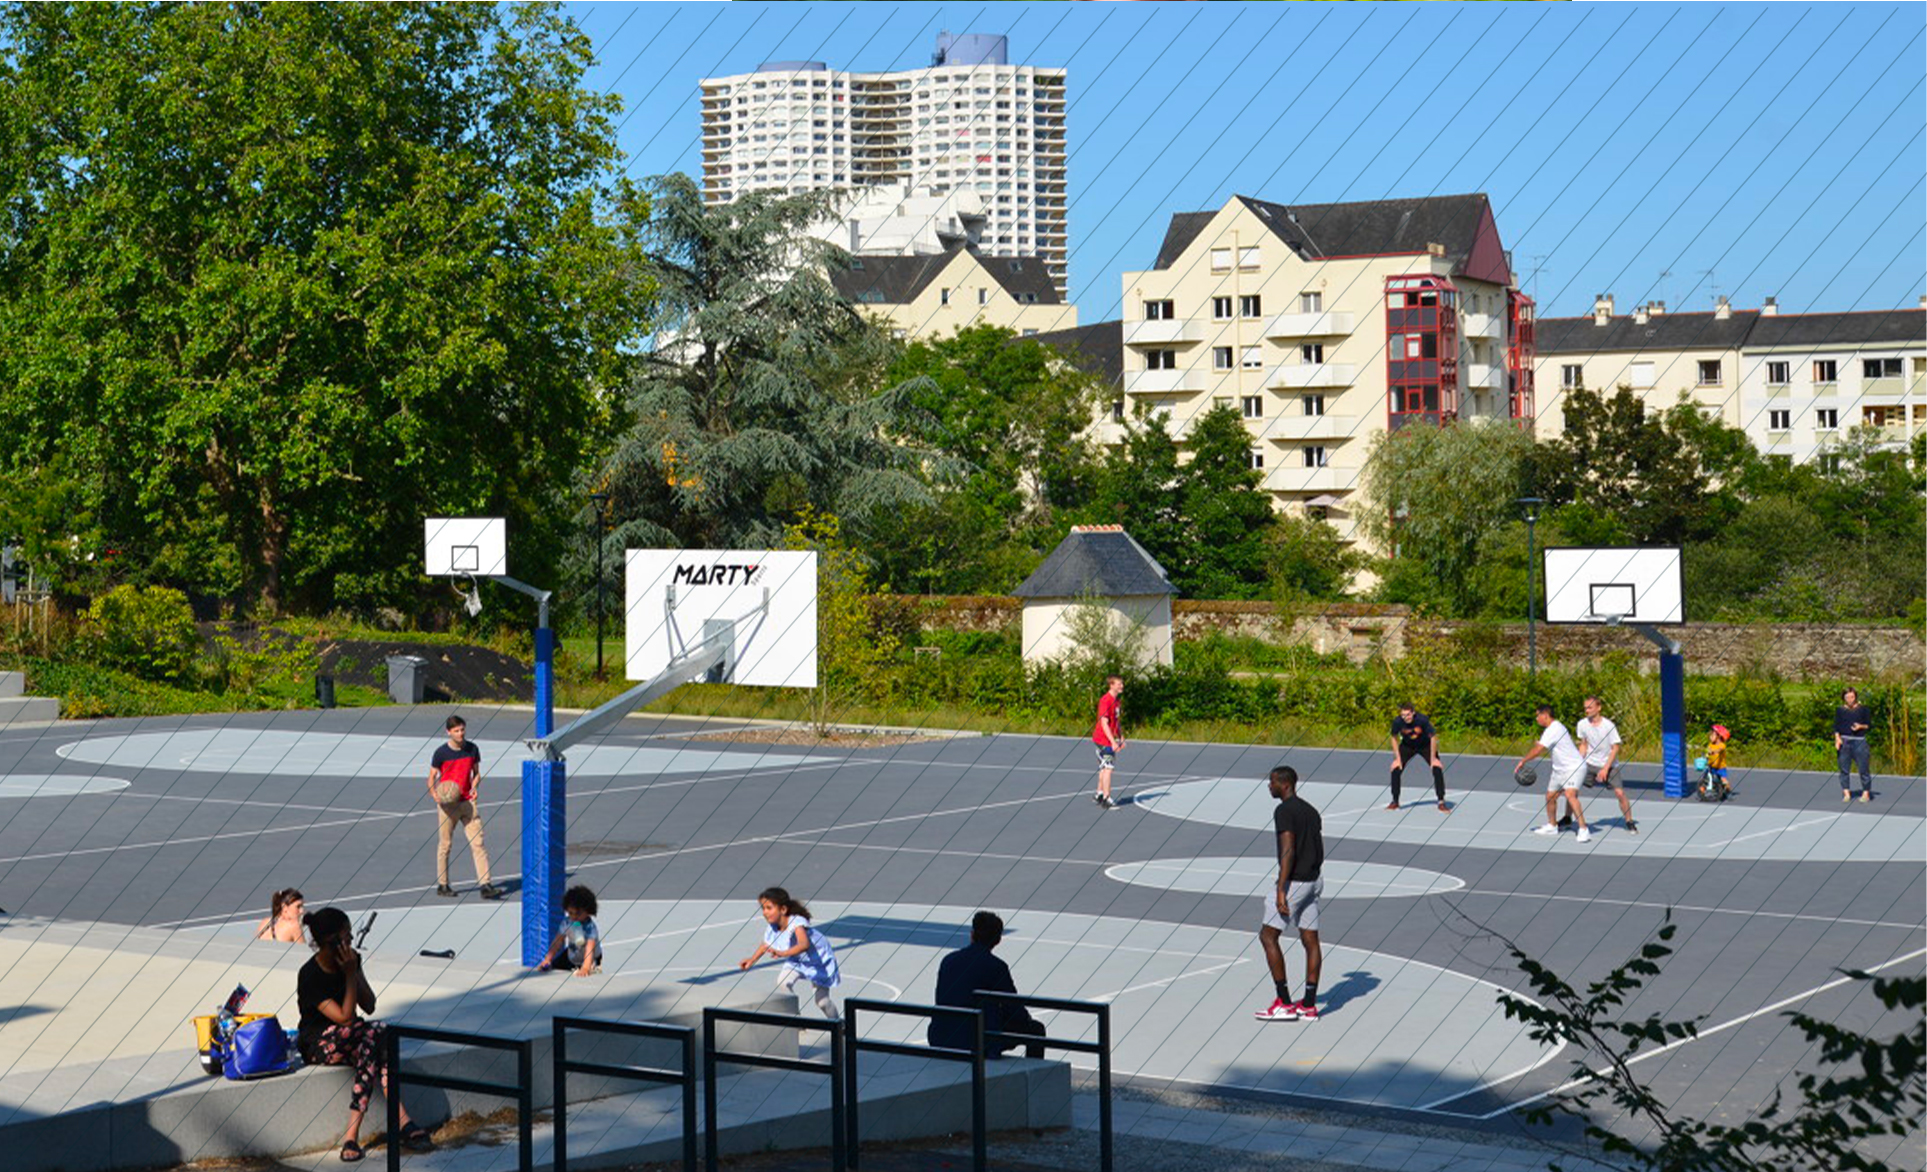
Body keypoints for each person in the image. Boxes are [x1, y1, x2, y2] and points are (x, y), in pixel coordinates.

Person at [296, 906, 434, 1162]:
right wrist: (348, 974)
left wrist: (354, 970)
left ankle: (357, 1135)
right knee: (376, 1035)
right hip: (318, 1042)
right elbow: (344, 1017)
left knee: (377, 1042)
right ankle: (399, 1123)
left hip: (355, 1037)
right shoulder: (310, 975)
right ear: (330, 942)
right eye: (346, 938)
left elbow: (369, 1004)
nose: (350, 942)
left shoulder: (352, 960)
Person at [1254, 766, 1323, 1023]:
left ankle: (1283, 1002)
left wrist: (1282, 889)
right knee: (1310, 940)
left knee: (1268, 936)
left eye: (1271, 782)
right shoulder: (1311, 810)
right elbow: (1318, 848)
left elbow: (1288, 851)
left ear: (1284, 784)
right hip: (1314, 880)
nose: (1269, 786)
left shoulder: (1284, 811)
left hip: (1295, 882)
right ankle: (1309, 1004)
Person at [929, 911, 1046, 1059]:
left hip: (941, 1036)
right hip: (975, 1040)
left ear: (972, 934)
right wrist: (1024, 1018)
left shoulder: (948, 960)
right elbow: (1014, 1010)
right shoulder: (996, 967)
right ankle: (1036, 1079)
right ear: (998, 940)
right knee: (1036, 1030)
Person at [739, 886, 841, 1020]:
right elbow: (765, 944)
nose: (765, 912)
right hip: (797, 960)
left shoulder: (796, 923)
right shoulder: (772, 927)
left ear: (783, 909)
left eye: (769, 908)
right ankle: (796, 1020)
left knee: (822, 1002)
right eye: (763, 908)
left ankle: (838, 1025)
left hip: (818, 961)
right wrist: (752, 960)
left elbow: (804, 944)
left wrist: (783, 953)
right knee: (783, 982)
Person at [428, 715, 500, 899]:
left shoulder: (472, 749)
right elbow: (431, 778)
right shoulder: (441, 753)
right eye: (456, 731)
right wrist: (435, 794)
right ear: (448, 732)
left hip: (468, 802)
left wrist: (475, 787)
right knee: (445, 845)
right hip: (448, 805)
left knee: (478, 843)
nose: (460, 734)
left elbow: (476, 774)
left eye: (462, 730)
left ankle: (486, 885)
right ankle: (443, 885)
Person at [1519, 705, 1590, 843]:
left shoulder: (1554, 728)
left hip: (1573, 767)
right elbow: (1543, 745)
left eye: (1537, 715)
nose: (1536, 718)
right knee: (1550, 796)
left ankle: (1583, 829)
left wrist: (1523, 761)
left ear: (1545, 715)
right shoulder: (1551, 730)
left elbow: (1538, 750)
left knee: (1570, 794)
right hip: (1559, 769)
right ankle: (1552, 825)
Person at [1574, 696, 1636, 834]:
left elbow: (1615, 748)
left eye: (1590, 707)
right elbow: (1583, 744)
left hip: (1609, 764)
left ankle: (1629, 821)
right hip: (1589, 763)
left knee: (1620, 793)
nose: (1587, 710)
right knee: (1571, 789)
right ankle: (1567, 817)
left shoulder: (1608, 726)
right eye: (1585, 708)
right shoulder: (1582, 724)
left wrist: (1605, 768)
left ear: (1598, 708)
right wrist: (1578, 762)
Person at [1386, 702, 1448, 812]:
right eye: (1403, 715)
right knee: (1395, 769)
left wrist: (1433, 759)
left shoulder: (1422, 720)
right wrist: (1397, 758)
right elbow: (1394, 738)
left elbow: (1433, 737)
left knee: (1437, 768)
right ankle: (1395, 801)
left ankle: (1441, 801)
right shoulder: (1397, 722)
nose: (1406, 718)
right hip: (1407, 746)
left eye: (1408, 715)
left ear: (1413, 713)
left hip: (1425, 746)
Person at [537, 885, 603, 977]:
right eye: (571, 913)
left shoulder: (590, 927)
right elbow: (557, 942)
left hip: (591, 958)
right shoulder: (566, 923)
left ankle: (590, 968)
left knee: (587, 975)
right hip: (573, 955)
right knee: (553, 968)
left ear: (588, 911)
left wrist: (586, 967)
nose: (574, 917)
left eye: (578, 913)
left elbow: (590, 947)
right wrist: (548, 959)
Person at [1835, 687, 1874, 803]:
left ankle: (1866, 792)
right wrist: (1837, 739)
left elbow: (1868, 725)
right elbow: (1836, 726)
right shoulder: (1840, 710)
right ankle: (1846, 793)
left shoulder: (1863, 709)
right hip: (1844, 740)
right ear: (1844, 698)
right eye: (1847, 697)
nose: (1850, 699)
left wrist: (1860, 727)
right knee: (1844, 769)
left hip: (1859, 741)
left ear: (1855, 697)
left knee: (1863, 768)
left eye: (1852, 697)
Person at [1092, 675, 1124, 809]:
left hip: (1108, 740)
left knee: (1104, 767)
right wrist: (1113, 742)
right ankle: (1106, 798)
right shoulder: (1105, 700)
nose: (1121, 686)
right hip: (1103, 740)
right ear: (1111, 685)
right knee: (1108, 769)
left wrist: (1121, 736)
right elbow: (1104, 723)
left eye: (1122, 684)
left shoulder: (1117, 701)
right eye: (1118, 684)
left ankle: (1099, 794)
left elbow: (1116, 721)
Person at [1705, 723, 1732, 797]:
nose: (1710, 737)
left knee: (1723, 780)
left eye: (1712, 735)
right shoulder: (1711, 744)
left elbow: (1719, 750)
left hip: (1720, 767)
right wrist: (1707, 755)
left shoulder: (1722, 745)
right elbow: (1708, 751)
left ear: (1718, 737)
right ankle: (1704, 790)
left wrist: (1714, 752)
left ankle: (1728, 791)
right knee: (1706, 777)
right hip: (1712, 765)